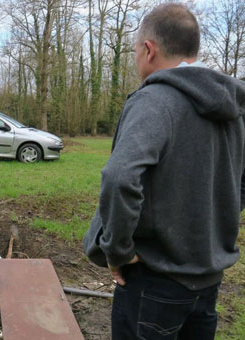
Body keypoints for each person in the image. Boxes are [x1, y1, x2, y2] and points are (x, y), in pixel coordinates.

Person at [83, 3, 245, 340]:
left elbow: (119, 177)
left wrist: (118, 251)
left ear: (148, 49)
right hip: (209, 277)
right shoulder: (234, 107)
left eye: (134, 52)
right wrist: (214, 223)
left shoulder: (155, 99)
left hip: (153, 281)